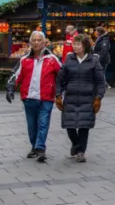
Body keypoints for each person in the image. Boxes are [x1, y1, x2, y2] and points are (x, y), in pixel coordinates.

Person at [7, 30, 61, 162]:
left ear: (44, 42)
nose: (36, 43)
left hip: (46, 98)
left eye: (39, 40)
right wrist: (10, 88)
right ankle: (34, 147)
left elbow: (62, 75)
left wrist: (60, 93)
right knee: (32, 126)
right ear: (30, 43)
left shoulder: (52, 59)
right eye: (34, 40)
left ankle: (40, 148)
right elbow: (16, 76)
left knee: (43, 123)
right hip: (29, 98)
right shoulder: (24, 60)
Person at [56, 34, 106, 163]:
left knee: (84, 126)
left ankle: (81, 152)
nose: (75, 46)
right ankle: (76, 144)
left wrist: (98, 97)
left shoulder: (93, 61)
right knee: (70, 125)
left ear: (85, 46)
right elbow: (60, 79)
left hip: (87, 98)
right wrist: (58, 95)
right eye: (74, 44)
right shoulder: (69, 60)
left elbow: (101, 81)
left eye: (78, 44)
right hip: (71, 97)